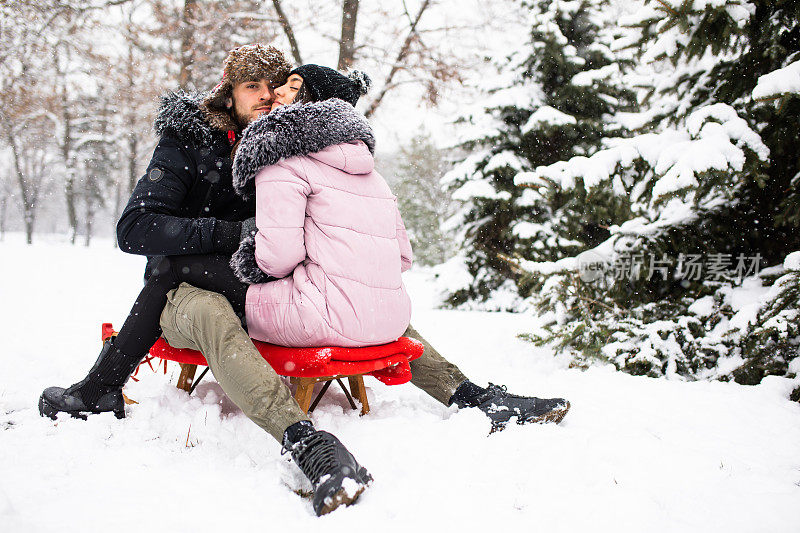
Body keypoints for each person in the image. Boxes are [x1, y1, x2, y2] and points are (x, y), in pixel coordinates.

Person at [39, 45, 571, 515]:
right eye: (254, 88)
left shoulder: (283, 148)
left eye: (276, 90)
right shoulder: (189, 142)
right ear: (228, 94)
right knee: (205, 309)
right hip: (186, 289)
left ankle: (472, 395)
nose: (268, 99)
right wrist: (236, 232)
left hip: (265, 282)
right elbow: (136, 228)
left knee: (356, 299)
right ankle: (302, 443)